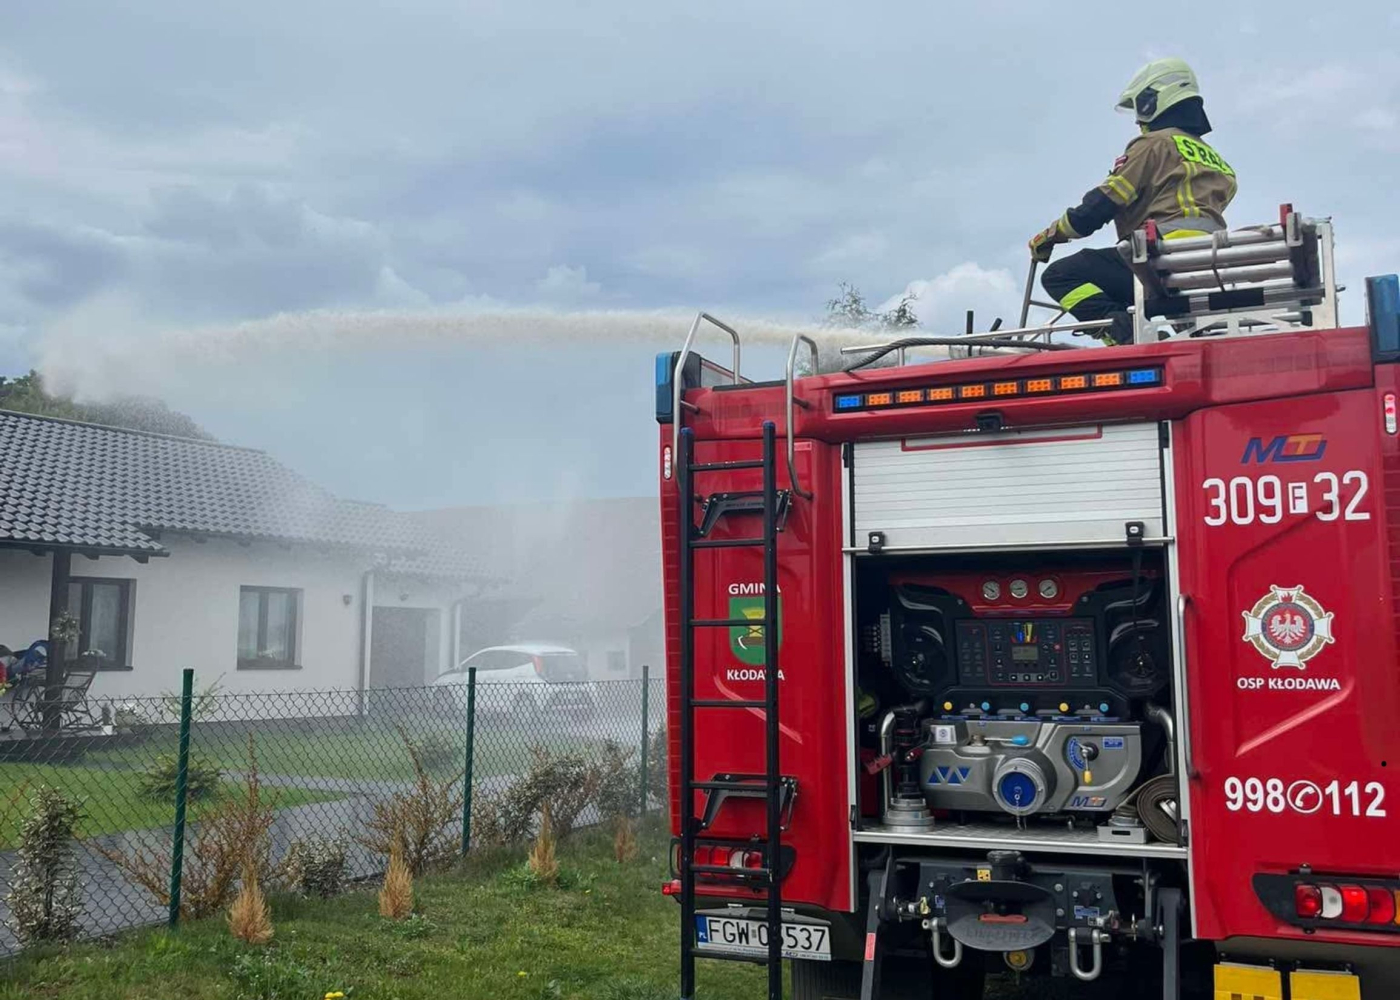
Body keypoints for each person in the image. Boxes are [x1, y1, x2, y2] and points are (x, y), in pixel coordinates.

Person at [1029, 58, 1236, 345]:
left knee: (1060, 276)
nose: (1138, 120)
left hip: (1159, 259)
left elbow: (1098, 207)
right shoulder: (1217, 162)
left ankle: (1122, 334)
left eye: (1140, 108)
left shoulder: (1152, 145)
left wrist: (1051, 235)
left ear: (1156, 100)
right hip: (1209, 262)